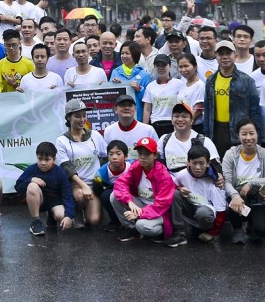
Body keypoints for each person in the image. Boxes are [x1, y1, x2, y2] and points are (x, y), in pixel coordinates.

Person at [221, 117, 265, 244]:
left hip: (258, 199)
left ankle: (252, 226)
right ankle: (237, 229)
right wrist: (234, 195)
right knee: (233, 204)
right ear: (238, 136)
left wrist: (252, 183)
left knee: (264, 230)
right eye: (244, 134)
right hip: (238, 198)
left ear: (257, 134)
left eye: (251, 133)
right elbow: (226, 181)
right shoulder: (230, 154)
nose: (248, 138)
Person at [111, 136, 177, 243]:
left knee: (142, 225)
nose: (142, 157)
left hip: (159, 211)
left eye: (147, 154)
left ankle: (161, 232)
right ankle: (132, 229)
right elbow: (120, 183)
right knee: (114, 196)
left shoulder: (163, 175)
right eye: (140, 153)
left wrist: (139, 213)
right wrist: (129, 201)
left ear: (155, 155)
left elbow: (162, 205)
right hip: (141, 204)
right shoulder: (136, 166)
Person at [201, 40, 261, 155]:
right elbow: (207, 109)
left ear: (235, 55)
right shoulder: (210, 81)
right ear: (216, 56)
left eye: (228, 54)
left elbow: (254, 111)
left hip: (239, 132)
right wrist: (207, 134)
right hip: (217, 131)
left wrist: (256, 136)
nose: (225, 57)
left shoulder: (247, 80)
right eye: (221, 54)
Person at [55, 99, 106, 228]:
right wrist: (83, 186)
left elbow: (104, 157)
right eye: (77, 116)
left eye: (84, 115)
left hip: (94, 185)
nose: (82, 119)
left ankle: (93, 208)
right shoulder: (62, 140)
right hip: (75, 186)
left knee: (93, 221)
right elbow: (66, 167)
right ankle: (76, 210)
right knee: (79, 196)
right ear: (68, 118)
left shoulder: (95, 135)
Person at [16, 141, 76, 236]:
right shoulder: (31, 169)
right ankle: (35, 221)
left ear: (54, 159)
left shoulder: (60, 172)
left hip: (56, 202)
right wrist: (31, 179)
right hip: (40, 201)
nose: (43, 163)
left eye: (47, 159)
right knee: (32, 186)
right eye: (40, 159)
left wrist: (69, 215)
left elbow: (67, 195)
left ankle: (52, 217)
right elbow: (18, 187)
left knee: (63, 217)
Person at [173, 145, 227, 244]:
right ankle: (179, 231)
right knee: (174, 193)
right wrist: (179, 188)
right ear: (188, 162)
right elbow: (171, 186)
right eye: (194, 163)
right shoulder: (182, 174)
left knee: (202, 213)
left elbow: (221, 211)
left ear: (208, 163)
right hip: (190, 209)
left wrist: (213, 233)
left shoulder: (215, 180)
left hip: (206, 214)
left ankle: (205, 229)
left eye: (201, 163)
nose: (198, 167)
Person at [109, 42, 149, 120]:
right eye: (122, 53)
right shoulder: (115, 72)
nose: (124, 56)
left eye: (127, 53)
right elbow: (110, 96)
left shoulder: (144, 74)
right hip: (119, 117)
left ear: (135, 54)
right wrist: (114, 86)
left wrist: (139, 89)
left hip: (137, 117)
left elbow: (148, 100)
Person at [142, 56, 183, 134]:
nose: (161, 68)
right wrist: (145, 128)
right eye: (158, 66)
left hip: (173, 123)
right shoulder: (150, 86)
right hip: (156, 123)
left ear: (170, 66)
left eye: (163, 65)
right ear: (154, 67)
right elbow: (147, 109)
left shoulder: (179, 84)